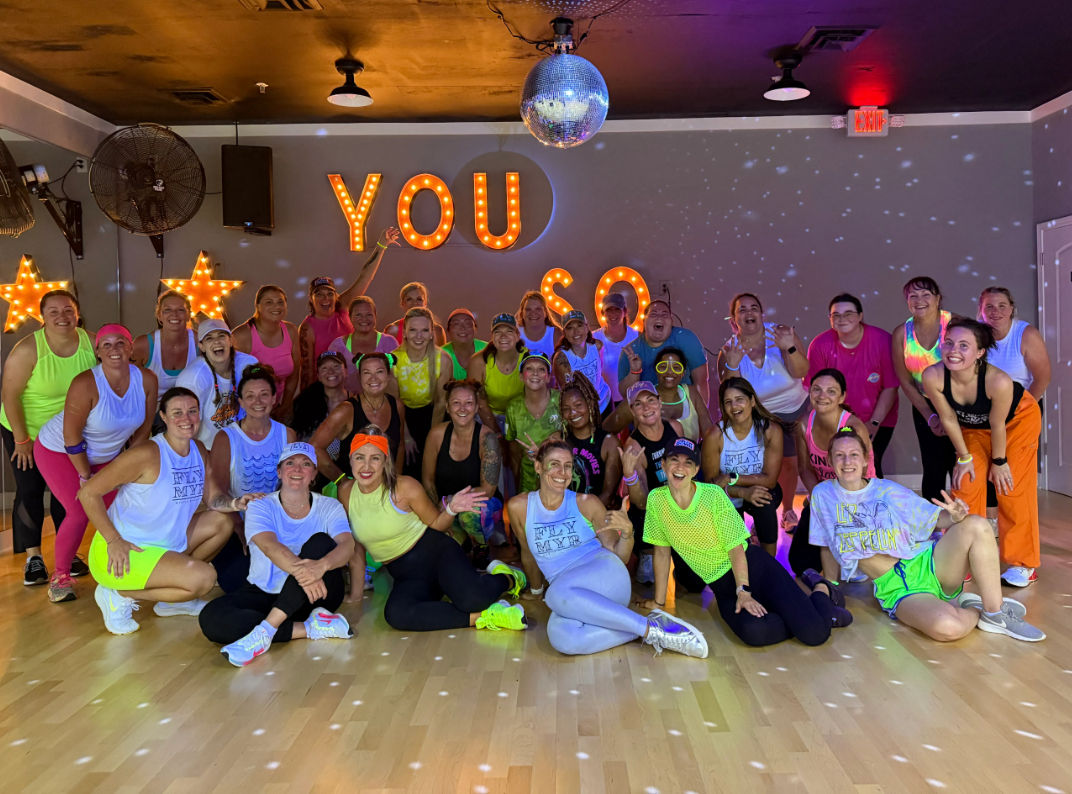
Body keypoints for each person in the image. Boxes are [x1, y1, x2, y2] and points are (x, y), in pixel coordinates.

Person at [809, 428, 1044, 642]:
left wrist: (953, 516)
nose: (847, 461)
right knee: (947, 627)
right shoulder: (823, 495)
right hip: (897, 587)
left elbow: (932, 519)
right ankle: (975, 609)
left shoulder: (887, 490)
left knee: (976, 525)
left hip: (930, 563)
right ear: (829, 460)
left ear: (865, 460)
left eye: (853, 455)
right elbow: (826, 543)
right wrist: (831, 585)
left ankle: (995, 613)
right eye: (839, 455)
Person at [78, 387, 254, 635]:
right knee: (203, 579)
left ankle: (172, 600)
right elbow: (87, 493)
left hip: (165, 544)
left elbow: (214, 499)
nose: (186, 418)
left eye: (192, 411)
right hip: (124, 551)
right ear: (164, 416)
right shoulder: (146, 454)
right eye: (177, 412)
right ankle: (116, 593)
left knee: (222, 522)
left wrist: (237, 504)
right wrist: (113, 540)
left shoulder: (199, 450)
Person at [508, 440, 708, 657]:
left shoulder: (586, 502)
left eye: (567, 465)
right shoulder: (519, 507)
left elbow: (619, 556)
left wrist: (628, 533)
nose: (562, 472)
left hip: (606, 577)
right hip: (572, 597)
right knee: (564, 640)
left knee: (555, 593)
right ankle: (646, 629)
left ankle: (649, 629)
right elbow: (527, 551)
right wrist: (536, 591)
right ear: (538, 467)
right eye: (553, 464)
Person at [641, 437, 845, 647]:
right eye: (674, 460)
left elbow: (736, 549)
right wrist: (659, 602)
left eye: (688, 463)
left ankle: (821, 590)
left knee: (815, 634)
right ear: (663, 464)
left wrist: (743, 592)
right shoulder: (657, 500)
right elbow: (662, 552)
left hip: (755, 568)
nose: (680, 467)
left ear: (695, 470)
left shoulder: (712, 495)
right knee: (754, 632)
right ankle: (801, 615)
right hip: (722, 587)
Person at [340, 426, 527, 631]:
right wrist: (356, 594)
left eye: (375, 458)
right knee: (396, 615)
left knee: (473, 598)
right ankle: (486, 616)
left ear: (385, 461)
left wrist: (451, 509)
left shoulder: (404, 487)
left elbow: (438, 524)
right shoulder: (346, 492)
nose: (366, 466)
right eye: (359, 457)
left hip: (437, 553)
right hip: (408, 575)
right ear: (350, 459)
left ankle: (508, 577)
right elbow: (356, 547)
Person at [199, 442, 355, 667]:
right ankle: (309, 628)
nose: (297, 469)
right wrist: (303, 573)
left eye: (305, 464)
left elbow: (347, 546)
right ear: (280, 472)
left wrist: (320, 567)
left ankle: (265, 631)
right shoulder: (260, 505)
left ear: (314, 474)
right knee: (211, 618)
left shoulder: (330, 506)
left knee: (320, 542)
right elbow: (269, 545)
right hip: (266, 590)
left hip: (318, 592)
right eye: (290, 463)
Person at [35, 324, 157, 602]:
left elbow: (145, 427)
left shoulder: (146, 379)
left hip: (108, 456)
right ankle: (61, 577)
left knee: (122, 508)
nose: (115, 350)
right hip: (60, 452)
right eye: (107, 345)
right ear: (98, 352)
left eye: (121, 343)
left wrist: (129, 465)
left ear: (130, 348)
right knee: (80, 510)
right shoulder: (86, 383)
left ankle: (123, 565)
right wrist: (84, 475)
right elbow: (71, 437)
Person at [922, 318, 1043, 587]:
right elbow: (949, 419)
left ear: (979, 353)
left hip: (1016, 423)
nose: (954, 350)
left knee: (1011, 487)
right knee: (965, 482)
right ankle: (960, 555)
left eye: (964, 345)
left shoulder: (997, 381)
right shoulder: (932, 376)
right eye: (950, 342)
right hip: (973, 429)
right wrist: (964, 458)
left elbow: (998, 424)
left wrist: (999, 462)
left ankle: (1023, 564)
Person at [0, 289, 96, 586]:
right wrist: (21, 439)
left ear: (77, 311)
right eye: (53, 312)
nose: (61, 317)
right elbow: (10, 395)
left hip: (67, 433)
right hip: (25, 427)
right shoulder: (29, 349)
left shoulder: (91, 342)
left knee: (66, 494)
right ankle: (33, 558)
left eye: (67, 310)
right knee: (30, 489)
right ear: (42, 317)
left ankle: (67, 554)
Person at [717, 292, 809, 527]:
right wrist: (732, 364)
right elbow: (731, 392)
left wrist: (789, 347)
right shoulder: (728, 350)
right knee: (761, 467)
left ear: (761, 313)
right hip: (757, 416)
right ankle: (761, 516)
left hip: (793, 409)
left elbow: (801, 371)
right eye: (742, 310)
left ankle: (788, 511)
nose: (749, 313)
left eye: (753, 308)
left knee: (790, 462)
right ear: (733, 319)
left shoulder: (780, 334)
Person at [208, 364, 297, 593]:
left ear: (275, 398)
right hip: (240, 523)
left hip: (278, 523)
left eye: (264, 394)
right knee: (239, 583)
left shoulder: (286, 435)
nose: (258, 401)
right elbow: (218, 489)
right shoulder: (226, 438)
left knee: (285, 579)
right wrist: (237, 524)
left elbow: (294, 486)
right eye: (250, 396)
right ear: (241, 401)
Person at [788, 368, 875, 577]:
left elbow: (867, 474)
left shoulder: (854, 427)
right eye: (817, 389)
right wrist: (821, 497)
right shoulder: (802, 424)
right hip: (824, 496)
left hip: (856, 499)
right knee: (799, 564)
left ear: (842, 396)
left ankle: (859, 549)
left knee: (854, 570)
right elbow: (805, 468)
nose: (822, 396)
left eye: (831, 391)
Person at [977, 286, 1052, 525]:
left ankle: (1016, 522)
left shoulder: (1025, 333)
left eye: (1001, 306)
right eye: (989, 306)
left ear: (1011, 309)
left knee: (1013, 469)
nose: (995, 311)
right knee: (989, 463)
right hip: (986, 411)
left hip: (1022, 410)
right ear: (981, 310)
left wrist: (1022, 410)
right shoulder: (977, 335)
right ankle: (991, 518)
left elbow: (1042, 378)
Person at [806, 293, 898, 477]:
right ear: (830, 319)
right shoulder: (820, 345)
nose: (842, 319)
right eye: (836, 315)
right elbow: (815, 389)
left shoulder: (882, 341)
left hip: (877, 418)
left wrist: (873, 423)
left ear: (860, 316)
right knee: (838, 467)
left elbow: (890, 387)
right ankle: (830, 503)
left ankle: (871, 504)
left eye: (848, 313)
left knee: (868, 467)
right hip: (835, 419)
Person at [298, 226, 400, 388]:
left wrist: (381, 245)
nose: (325, 298)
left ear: (336, 295)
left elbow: (365, 276)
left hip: (364, 382)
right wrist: (308, 402)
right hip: (328, 388)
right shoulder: (308, 327)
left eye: (330, 293)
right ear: (311, 299)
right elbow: (307, 369)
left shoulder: (343, 306)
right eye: (319, 294)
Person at [700, 377, 784, 557]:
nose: (734, 406)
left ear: (752, 401)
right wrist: (742, 492)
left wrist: (732, 477)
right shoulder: (715, 435)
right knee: (740, 549)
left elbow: (770, 480)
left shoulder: (770, 430)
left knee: (765, 503)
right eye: (728, 402)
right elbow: (711, 487)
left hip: (759, 488)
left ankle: (770, 565)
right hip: (727, 495)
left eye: (740, 399)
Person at [891, 276, 956, 503]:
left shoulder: (956, 325)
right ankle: (933, 524)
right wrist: (930, 417)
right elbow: (905, 381)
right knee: (933, 466)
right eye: (913, 296)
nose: (919, 300)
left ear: (938, 299)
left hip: (959, 405)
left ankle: (971, 522)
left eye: (926, 294)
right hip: (925, 405)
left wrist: (951, 415)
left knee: (961, 464)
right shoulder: (902, 333)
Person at [422, 379, 504, 555]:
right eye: (456, 403)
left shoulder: (487, 439)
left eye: (468, 403)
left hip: (479, 505)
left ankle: (482, 547)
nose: (462, 409)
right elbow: (427, 479)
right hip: (447, 507)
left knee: (471, 516)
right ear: (447, 407)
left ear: (476, 408)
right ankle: (463, 542)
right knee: (443, 548)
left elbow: (487, 490)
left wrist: (452, 502)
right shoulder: (436, 434)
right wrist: (439, 509)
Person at [618, 381, 682, 584]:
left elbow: (691, 469)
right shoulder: (634, 447)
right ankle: (648, 551)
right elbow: (641, 502)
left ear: (660, 402)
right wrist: (629, 474)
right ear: (632, 411)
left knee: (693, 583)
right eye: (638, 404)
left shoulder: (676, 427)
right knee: (648, 580)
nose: (646, 407)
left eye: (650, 400)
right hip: (655, 511)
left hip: (681, 504)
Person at [312, 351, 405, 486]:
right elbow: (314, 448)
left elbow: (400, 445)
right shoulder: (346, 410)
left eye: (379, 372)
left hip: (384, 488)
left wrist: (395, 481)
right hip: (352, 491)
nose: (373, 378)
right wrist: (342, 481)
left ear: (388, 375)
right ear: (359, 376)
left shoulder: (397, 405)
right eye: (367, 373)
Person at [176, 319, 258, 447]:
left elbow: (261, 404)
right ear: (201, 346)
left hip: (244, 445)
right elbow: (184, 426)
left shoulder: (249, 364)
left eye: (221, 336)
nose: (217, 341)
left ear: (230, 341)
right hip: (208, 449)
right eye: (209, 338)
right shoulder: (192, 378)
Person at [618, 300, 709, 407]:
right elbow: (626, 394)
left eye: (664, 314)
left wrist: (700, 417)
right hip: (649, 411)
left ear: (671, 321)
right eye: (654, 314)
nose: (659, 317)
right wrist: (635, 372)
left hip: (683, 407)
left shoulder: (687, 339)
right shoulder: (631, 351)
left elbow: (701, 382)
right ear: (644, 321)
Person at [394, 307, 452, 476]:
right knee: (409, 463)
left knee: (436, 460)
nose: (419, 336)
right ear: (404, 333)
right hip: (404, 417)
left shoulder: (443, 359)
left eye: (424, 330)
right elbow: (395, 404)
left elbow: (441, 402)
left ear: (432, 333)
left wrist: (432, 438)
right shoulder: (394, 360)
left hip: (433, 413)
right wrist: (406, 437)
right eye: (413, 330)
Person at [232, 285, 300, 417]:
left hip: (277, 407)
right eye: (269, 302)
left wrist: (285, 406)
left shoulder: (291, 330)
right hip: (247, 411)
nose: (276, 306)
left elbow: (294, 373)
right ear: (257, 306)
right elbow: (231, 381)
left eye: (280, 302)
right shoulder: (242, 336)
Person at [560, 373, 621, 508]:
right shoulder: (559, 440)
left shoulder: (609, 443)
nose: (573, 412)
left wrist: (584, 521)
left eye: (578, 405)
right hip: (566, 517)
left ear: (590, 404)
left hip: (598, 518)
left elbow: (608, 495)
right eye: (566, 409)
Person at [505, 352, 562, 493]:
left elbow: (573, 438)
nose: (535, 373)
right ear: (520, 376)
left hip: (560, 475)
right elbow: (513, 448)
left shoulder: (561, 401)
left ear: (548, 377)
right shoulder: (513, 407)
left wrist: (546, 450)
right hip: (528, 479)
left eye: (541, 369)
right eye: (529, 369)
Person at [132, 289, 197, 410]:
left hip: (190, 409)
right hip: (152, 409)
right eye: (167, 310)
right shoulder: (143, 344)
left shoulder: (200, 342)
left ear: (188, 315)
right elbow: (127, 385)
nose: (174, 315)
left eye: (181, 310)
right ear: (159, 316)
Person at [325, 296, 399, 394]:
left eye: (369, 314)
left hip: (383, 403)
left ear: (375, 316)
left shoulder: (389, 342)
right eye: (358, 315)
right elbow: (330, 380)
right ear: (350, 317)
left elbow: (398, 378)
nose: (364, 319)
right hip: (349, 405)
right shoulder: (337, 346)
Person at [468, 312, 524, 437]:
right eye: (498, 332)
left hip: (521, 416)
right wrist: (496, 433)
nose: (503, 336)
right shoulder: (479, 362)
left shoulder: (528, 359)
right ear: (492, 337)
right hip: (489, 415)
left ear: (517, 335)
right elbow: (479, 402)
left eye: (509, 331)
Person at [552, 309, 611, 415]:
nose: (576, 332)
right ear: (564, 333)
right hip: (582, 411)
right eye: (570, 328)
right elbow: (569, 394)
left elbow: (600, 370)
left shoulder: (597, 346)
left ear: (587, 327)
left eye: (579, 325)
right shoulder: (561, 359)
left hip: (604, 401)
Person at [291, 351, 350, 442]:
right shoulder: (305, 404)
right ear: (318, 376)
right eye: (324, 368)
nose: (331, 371)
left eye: (336, 366)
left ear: (346, 371)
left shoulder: (357, 402)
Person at [593, 292, 638, 405]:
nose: (613, 314)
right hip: (602, 401)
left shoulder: (637, 337)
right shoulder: (593, 338)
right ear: (603, 313)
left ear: (625, 311)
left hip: (631, 401)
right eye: (609, 310)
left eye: (617, 309)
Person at [384, 281, 447, 346]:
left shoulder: (437, 331)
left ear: (425, 303)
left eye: (419, 299)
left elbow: (441, 355)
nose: (414, 303)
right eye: (409, 299)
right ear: (402, 304)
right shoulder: (392, 330)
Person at [442, 308, 488, 380]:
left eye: (468, 324)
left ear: (475, 329)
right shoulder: (441, 355)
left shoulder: (487, 350)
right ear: (448, 330)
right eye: (456, 324)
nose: (462, 328)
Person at [516, 290, 561, 362]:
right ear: (522, 314)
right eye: (528, 309)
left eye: (538, 309)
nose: (533, 313)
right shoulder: (515, 334)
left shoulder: (556, 334)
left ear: (545, 313)